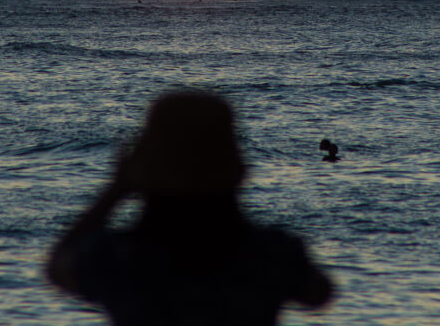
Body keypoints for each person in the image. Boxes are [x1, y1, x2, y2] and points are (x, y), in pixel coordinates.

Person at [46, 91, 333, 325]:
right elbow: (319, 294)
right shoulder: (274, 254)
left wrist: (117, 189)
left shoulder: (119, 257)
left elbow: (58, 268)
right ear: (238, 169)